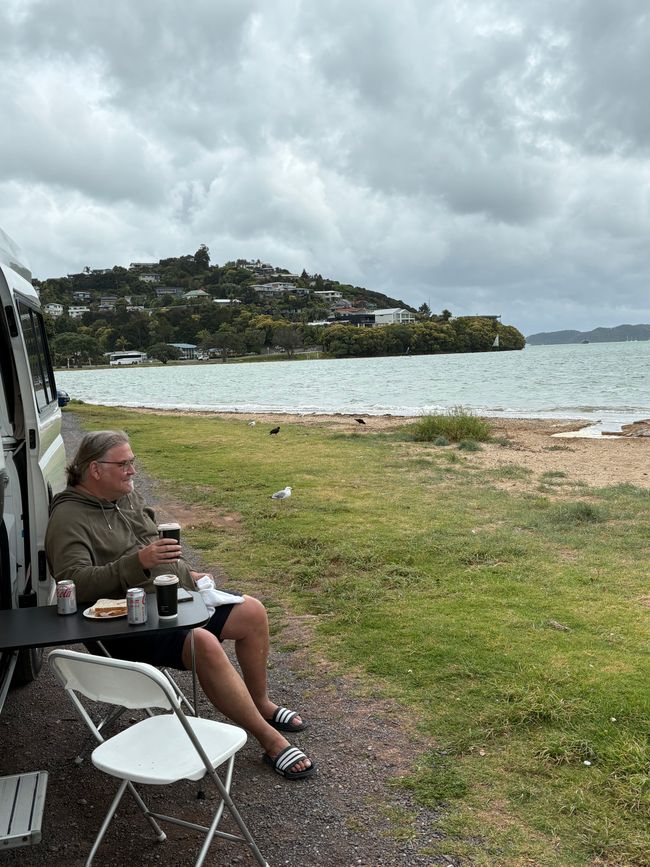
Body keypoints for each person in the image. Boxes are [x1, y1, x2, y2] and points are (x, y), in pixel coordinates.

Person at [45, 430, 315, 781]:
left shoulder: (125, 497)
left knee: (252, 612)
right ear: (95, 469)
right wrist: (138, 562)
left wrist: (187, 573)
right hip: (123, 623)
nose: (132, 471)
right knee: (201, 642)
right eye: (124, 464)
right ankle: (270, 740)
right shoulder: (69, 517)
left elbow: (155, 547)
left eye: (133, 462)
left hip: (170, 601)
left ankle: (261, 703)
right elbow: (73, 583)